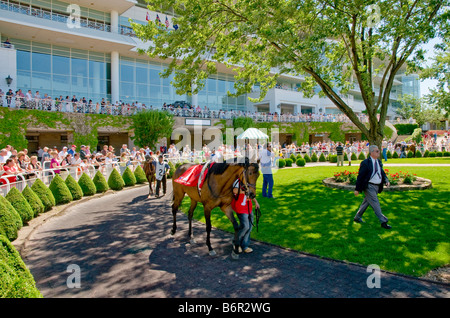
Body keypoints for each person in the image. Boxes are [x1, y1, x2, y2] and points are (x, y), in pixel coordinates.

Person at [354, 145, 391, 229]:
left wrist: (386, 180)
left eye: (378, 151)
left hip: (377, 187)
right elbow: (360, 176)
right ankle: (383, 221)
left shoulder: (378, 162)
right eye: (376, 151)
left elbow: (382, 172)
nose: (378, 152)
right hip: (369, 186)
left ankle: (357, 217)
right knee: (375, 203)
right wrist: (357, 189)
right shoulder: (365, 163)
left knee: (366, 202)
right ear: (371, 153)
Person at [231, 179, 260, 254]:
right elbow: (234, 190)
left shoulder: (247, 180)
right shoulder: (237, 181)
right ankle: (236, 242)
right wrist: (245, 192)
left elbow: (251, 193)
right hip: (240, 207)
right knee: (245, 226)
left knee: (249, 227)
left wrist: (256, 202)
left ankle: (245, 245)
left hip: (248, 207)